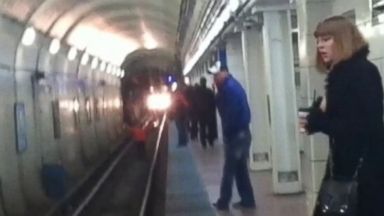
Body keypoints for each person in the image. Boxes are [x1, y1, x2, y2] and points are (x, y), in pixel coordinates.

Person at [301, 16, 384, 216]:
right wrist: (317, 118)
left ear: (344, 40)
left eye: (327, 39)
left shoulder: (362, 72)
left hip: (364, 175)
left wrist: (320, 122)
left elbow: (368, 126)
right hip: (347, 170)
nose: (320, 45)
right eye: (318, 40)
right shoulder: (342, 74)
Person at [208, 61, 256, 210]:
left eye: (216, 75)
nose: (214, 79)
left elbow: (230, 114)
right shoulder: (230, 86)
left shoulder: (228, 90)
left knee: (229, 170)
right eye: (213, 76)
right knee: (240, 170)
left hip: (237, 135)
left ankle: (223, 202)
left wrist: (227, 132)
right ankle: (248, 200)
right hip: (242, 133)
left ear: (224, 72)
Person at [196, 77, 217, 149]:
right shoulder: (209, 91)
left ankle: (203, 143)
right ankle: (210, 141)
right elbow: (213, 101)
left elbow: (195, 103)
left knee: (202, 128)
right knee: (210, 128)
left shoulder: (197, 92)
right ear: (205, 82)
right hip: (209, 113)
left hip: (200, 113)